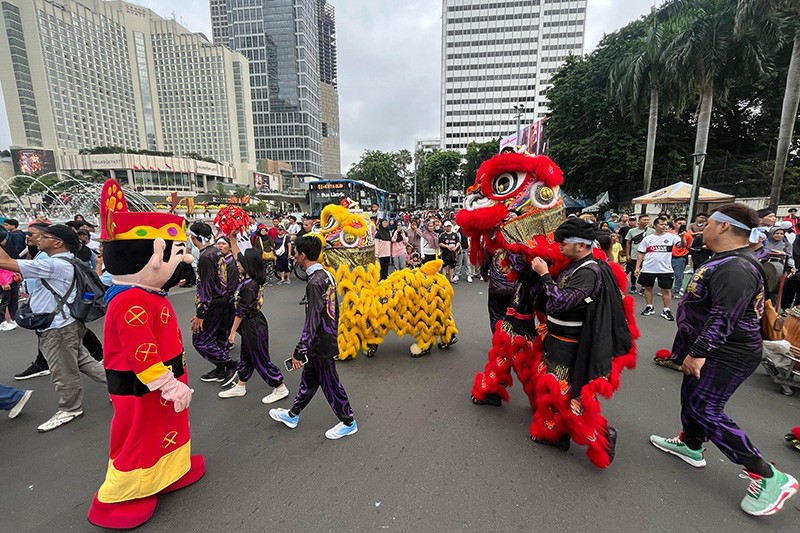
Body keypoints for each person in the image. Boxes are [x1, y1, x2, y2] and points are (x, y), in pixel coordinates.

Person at [650, 204, 798, 517]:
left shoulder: (735, 269)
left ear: (724, 228)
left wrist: (699, 352)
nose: (702, 228)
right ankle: (690, 445)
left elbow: (723, 317)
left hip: (726, 352)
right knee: (691, 399)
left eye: (709, 223)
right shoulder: (724, 260)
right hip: (710, 347)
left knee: (706, 409)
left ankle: (769, 476)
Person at [87, 179, 204, 529]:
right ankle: (122, 494)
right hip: (144, 386)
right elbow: (142, 354)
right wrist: (170, 385)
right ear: (153, 257)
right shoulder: (131, 300)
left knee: (165, 428)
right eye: (175, 253)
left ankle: (168, 472)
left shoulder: (146, 293)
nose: (182, 259)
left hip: (163, 382)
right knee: (138, 435)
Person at [528, 218, 627, 462]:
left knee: (566, 394)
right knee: (554, 389)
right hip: (557, 339)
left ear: (582, 245)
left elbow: (560, 303)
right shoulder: (575, 266)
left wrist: (544, 276)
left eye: (564, 243)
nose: (559, 247)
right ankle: (556, 435)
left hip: (570, 345)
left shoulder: (587, 272)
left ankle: (603, 436)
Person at [0, 224, 106, 432]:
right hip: (66, 323)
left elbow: (4, 262)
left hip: (58, 327)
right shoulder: (66, 262)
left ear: (58, 242)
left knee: (63, 370)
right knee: (84, 361)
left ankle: (70, 408)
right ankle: (126, 385)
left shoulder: (54, 265)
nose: (36, 238)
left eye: (44, 236)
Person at [268, 236, 358, 440]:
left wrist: (301, 348)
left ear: (303, 255)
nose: (294, 257)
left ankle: (348, 421)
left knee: (330, 383)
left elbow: (314, 318)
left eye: (296, 253)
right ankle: (293, 415)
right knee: (309, 382)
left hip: (320, 343)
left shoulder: (314, 282)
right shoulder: (326, 275)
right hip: (323, 339)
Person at [218, 237, 288, 403]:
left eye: (241, 263)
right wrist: (233, 238)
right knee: (247, 356)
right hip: (251, 324)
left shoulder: (250, 285)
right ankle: (240, 385)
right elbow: (237, 256)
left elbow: (241, 311)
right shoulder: (249, 280)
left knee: (260, 358)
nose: (238, 264)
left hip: (252, 324)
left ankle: (279, 386)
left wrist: (232, 333)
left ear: (248, 265)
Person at [189, 221, 237, 386]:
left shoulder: (206, 257)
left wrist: (200, 313)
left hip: (213, 303)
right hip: (221, 300)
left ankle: (229, 364)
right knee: (218, 337)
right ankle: (221, 369)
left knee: (199, 340)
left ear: (195, 238)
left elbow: (207, 286)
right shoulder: (216, 252)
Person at [635, 216, 685, 320]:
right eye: (661, 224)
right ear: (655, 225)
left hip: (665, 269)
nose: (664, 226)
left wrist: (683, 237)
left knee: (666, 290)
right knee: (648, 288)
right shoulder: (648, 239)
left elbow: (681, 246)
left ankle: (666, 310)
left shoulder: (672, 237)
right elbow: (641, 253)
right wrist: (637, 267)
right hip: (648, 268)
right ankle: (649, 307)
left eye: (665, 224)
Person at [481, 248, 514, 333]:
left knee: (496, 316)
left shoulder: (492, 244)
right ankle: (510, 340)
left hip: (496, 287)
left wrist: (484, 274)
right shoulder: (516, 243)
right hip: (514, 287)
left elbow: (485, 263)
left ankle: (498, 340)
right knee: (513, 316)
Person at [625, 214, 654, 294]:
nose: (646, 221)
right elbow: (628, 243)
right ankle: (633, 285)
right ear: (639, 221)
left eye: (647, 220)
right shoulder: (632, 231)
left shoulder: (652, 231)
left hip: (648, 255)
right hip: (634, 254)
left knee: (645, 272)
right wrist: (628, 254)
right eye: (644, 220)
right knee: (633, 270)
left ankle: (643, 287)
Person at [670, 217, 692, 298]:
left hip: (680, 257)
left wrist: (682, 237)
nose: (681, 225)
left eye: (683, 224)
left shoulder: (687, 235)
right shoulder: (668, 233)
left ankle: (677, 290)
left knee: (678, 275)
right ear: (674, 224)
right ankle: (667, 289)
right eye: (679, 223)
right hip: (668, 257)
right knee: (667, 274)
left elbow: (688, 246)